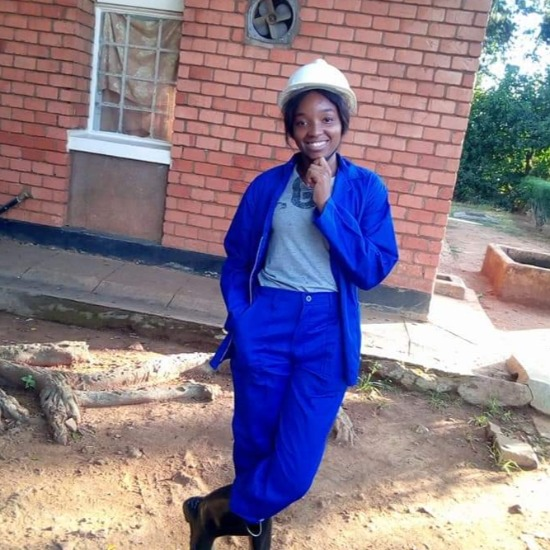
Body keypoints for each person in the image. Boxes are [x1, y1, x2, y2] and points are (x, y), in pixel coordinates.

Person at [182, 58, 399, 549]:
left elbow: (372, 269)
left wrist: (328, 204)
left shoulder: (366, 188)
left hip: (327, 329)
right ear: (291, 129)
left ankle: (210, 512)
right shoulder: (267, 187)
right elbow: (238, 258)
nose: (314, 131)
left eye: (326, 118)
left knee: (295, 468)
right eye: (301, 121)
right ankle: (256, 527)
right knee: (254, 439)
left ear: (343, 122)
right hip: (268, 320)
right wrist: (245, 318)